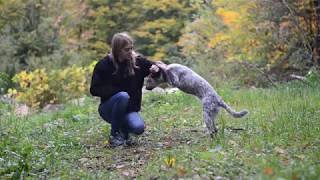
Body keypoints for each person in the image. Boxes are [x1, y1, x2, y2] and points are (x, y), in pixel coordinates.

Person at [90, 32, 160, 147]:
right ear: (118, 50)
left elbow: (154, 67)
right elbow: (94, 89)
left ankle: (124, 131)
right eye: (127, 49)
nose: (130, 52)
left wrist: (155, 69)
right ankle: (114, 135)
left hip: (129, 109)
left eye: (132, 48)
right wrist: (117, 92)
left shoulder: (137, 62)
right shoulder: (104, 65)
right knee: (122, 96)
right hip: (108, 109)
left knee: (138, 128)